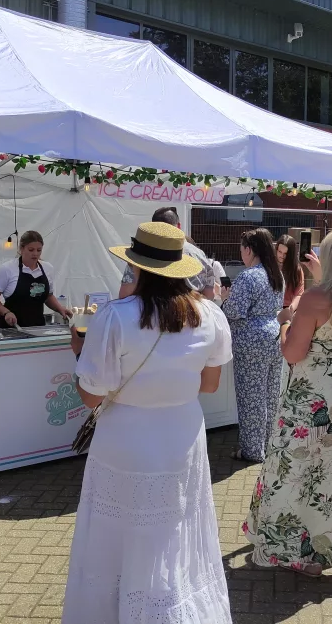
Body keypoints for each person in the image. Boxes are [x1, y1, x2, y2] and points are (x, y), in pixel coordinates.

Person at [62, 222, 232, 622]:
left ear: (135, 266)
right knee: (174, 530)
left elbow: (91, 395)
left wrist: (78, 354)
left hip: (126, 439)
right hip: (181, 437)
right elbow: (209, 385)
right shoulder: (208, 314)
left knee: (117, 533)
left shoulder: (114, 317)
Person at [244, 227, 332, 590]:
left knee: (303, 476)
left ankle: (309, 559)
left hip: (314, 401)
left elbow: (292, 352)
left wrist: (285, 323)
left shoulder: (316, 299)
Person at [223, 228, 285, 462]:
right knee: (270, 395)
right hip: (273, 337)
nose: (241, 255)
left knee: (251, 399)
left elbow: (235, 311)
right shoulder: (276, 274)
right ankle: (269, 444)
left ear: (249, 250)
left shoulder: (248, 277)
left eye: (242, 250)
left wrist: (225, 298)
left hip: (251, 342)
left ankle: (251, 450)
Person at [118, 207, 216, 300]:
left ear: (153, 227)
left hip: (146, 311)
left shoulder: (142, 253)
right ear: (178, 226)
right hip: (192, 312)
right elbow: (209, 294)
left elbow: (125, 293)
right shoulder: (198, 253)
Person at [0, 230, 74, 328]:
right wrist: (6, 312)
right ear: (22, 248)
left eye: (39, 250)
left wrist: (60, 309)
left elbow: (48, 297)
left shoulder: (47, 268)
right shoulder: (7, 269)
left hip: (37, 328)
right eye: (31, 250)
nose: (35, 254)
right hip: (10, 329)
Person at [276, 234, 305, 311]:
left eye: (285, 253)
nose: (282, 255)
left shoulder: (296, 270)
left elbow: (299, 294)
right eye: (279, 252)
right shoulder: (270, 266)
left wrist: (290, 310)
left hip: (288, 308)